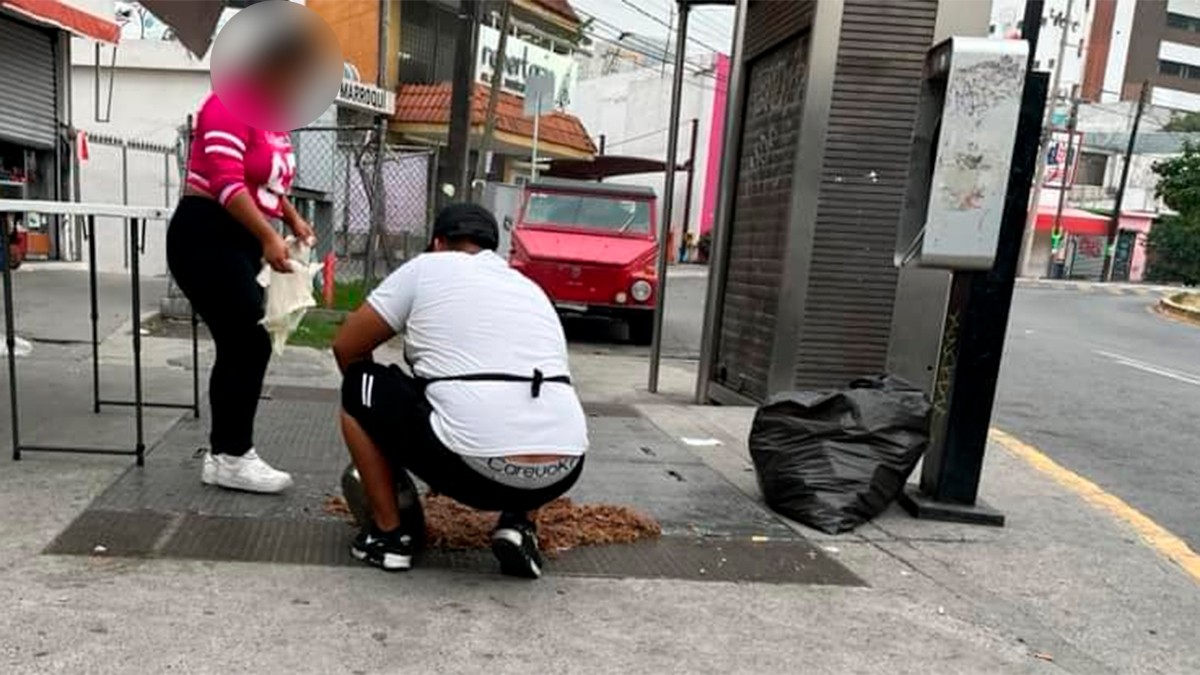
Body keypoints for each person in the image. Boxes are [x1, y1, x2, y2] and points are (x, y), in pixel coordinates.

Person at [333, 204, 589, 578]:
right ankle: (519, 526)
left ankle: (388, 538)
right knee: (533, 395)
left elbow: (347, 347)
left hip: (471, 468)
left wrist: (387, 436)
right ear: (493, 251)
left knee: (361, 383)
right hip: (562, 467)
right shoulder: (528, 286)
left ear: (438, 243)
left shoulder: (426, 268)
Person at [167, 29, 317, 494]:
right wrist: (270, 236)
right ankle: (233, 455)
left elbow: (270, 184)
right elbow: (228, 185)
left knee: (241, 343)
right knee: (249, 341)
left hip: (242, 235)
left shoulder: (270, 119)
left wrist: (291, 219)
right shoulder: (225, 107)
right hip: (207, 232)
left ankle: (224, 455)